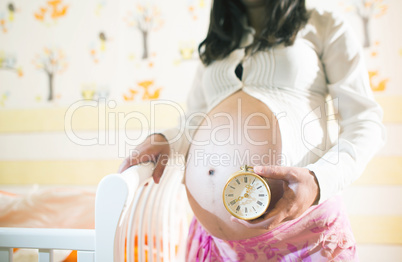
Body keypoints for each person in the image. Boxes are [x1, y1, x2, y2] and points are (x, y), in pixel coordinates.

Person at [119, 0, 386, 260]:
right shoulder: (217, 45)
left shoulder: (324, 24)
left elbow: (364, 121)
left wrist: (318, 181)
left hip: (303, 238)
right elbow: (194, 122)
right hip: (216, 247)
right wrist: (166, 139)